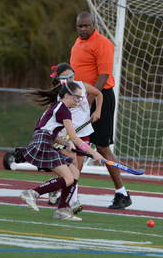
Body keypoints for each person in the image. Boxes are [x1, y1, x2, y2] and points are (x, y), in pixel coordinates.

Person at [70, 11, 132, 209]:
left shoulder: (103, 43)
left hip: (99, 98)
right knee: (74, 145)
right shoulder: (78, 43)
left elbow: (103, 76)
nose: (83, 29)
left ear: (93, 24)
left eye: (87, 26)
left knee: (102, 147)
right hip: (80, 98)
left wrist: (87, 102)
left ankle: (122, 193)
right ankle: (67, 189)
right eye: (80, 26)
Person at [19, 80, 104, 221]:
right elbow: (76, 138)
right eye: (76, 97)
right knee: (68, 178)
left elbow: (51, 131)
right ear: (67, 95)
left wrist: (66, 142)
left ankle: (62, 210)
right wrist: (95, 153)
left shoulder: (59, 107)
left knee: (75, 173)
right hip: (43, 143)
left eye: (80, 97)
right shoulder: (63, 110)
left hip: (46, 140)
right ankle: (32, 193)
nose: (79, 100)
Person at [47, 63, 103, 213]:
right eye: (66, 78)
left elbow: (99, 94)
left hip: (84, 133)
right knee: (72, 169)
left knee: (78, 169)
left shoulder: (81, 86)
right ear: (59, 80)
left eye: (72, 76)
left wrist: (97, 111)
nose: (70, 80)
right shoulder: (61, 95)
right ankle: (73, 202)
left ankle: (59, 190)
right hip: (69, 135)